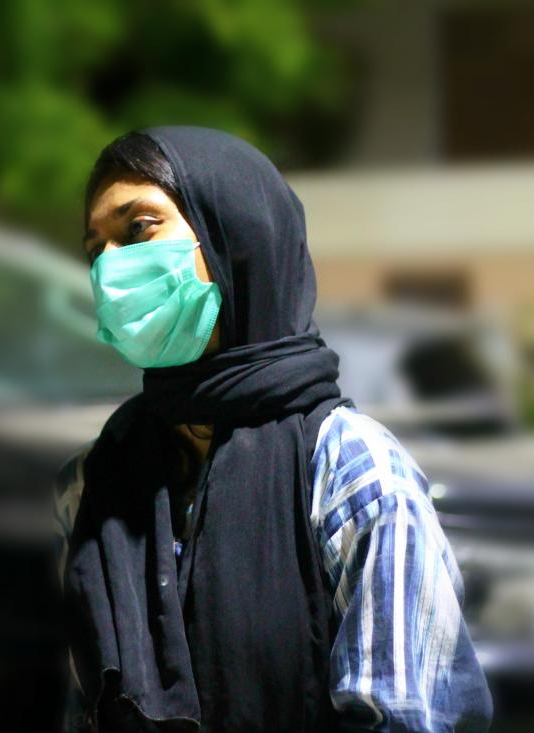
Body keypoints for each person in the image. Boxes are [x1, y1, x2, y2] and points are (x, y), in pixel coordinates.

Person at [53, 126, 492, 732]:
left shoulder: (349, 470)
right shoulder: (92, 484)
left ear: (235, 236)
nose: (111, 269)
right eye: (95, 248)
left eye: (138, 229)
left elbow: (406, 718)